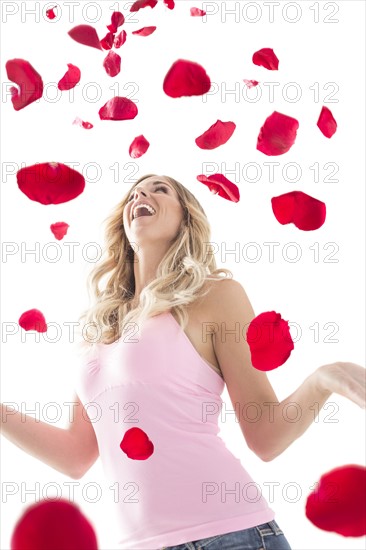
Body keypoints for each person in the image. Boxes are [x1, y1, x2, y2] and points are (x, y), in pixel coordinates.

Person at [1, 173, 365, 550]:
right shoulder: (102, 327)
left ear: (186, 218)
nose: (141, 193)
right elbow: (75, 456)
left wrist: (324, 379)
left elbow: (266, 436)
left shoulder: (215, 295)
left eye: (161, 189)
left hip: (230, 536)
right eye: (135, 193)